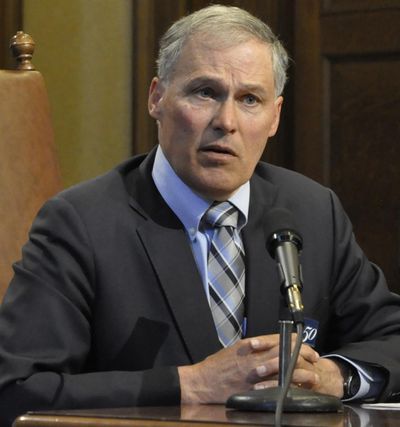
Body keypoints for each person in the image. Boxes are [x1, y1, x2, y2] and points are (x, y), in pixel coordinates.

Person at [0, 4, 400, 426]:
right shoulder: (80, 223)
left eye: (250, 99)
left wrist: (334, 376)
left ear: (274, 117)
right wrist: (190, 384)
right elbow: (15, 388)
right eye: (205, 92)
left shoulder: (312, 210)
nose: (225, 121)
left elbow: (392, 335)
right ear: (157, 97)